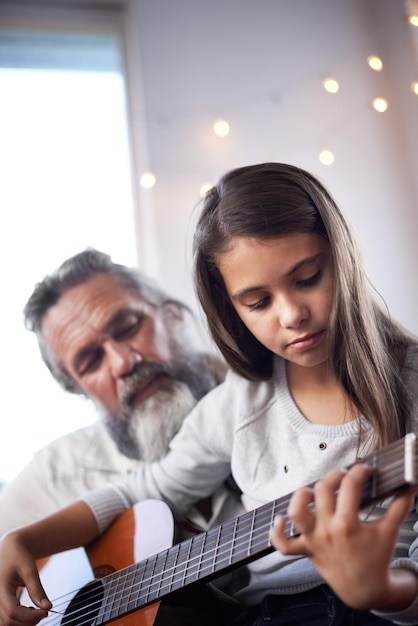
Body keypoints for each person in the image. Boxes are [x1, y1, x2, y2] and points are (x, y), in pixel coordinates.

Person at [1, 163, 418, 626]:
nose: (292, 314)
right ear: (232, 309)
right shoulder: (242, 400)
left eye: (307, 278)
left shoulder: (406, 386)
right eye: (258, 302)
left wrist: (380, 588)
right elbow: (146, 489)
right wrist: (25, 539)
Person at [0, 248, 245, 625]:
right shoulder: (55, 472)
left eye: (129, 327)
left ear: (172, 315)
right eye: (90, 361)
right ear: (79, 389)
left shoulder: (265, 395)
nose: (123, 362)